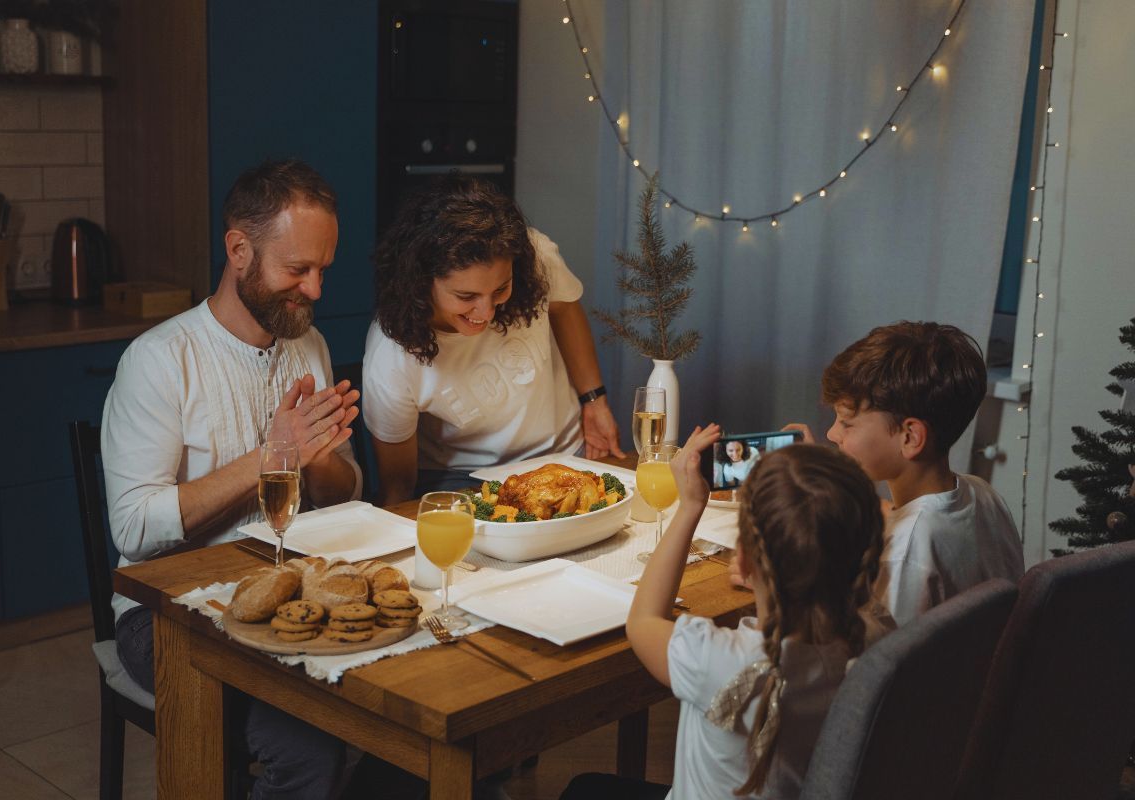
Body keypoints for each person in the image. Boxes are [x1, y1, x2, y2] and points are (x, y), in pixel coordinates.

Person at [102, 159, 362, 798]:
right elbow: (134, 529)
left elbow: (344, 494)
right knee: (310, 746)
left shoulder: (309, 346)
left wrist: (319, 456)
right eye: (297, 269)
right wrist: (272, 457)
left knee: (403, 699)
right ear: (239, 250)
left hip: (289, 589)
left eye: (323, 268)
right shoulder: (160, 361)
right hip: (163, 614)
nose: (316, 288)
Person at [562, 425, 886, 799]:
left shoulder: (718, 660)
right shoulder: (873, 638)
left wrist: (689, 507)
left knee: (583, 790)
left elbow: (643, 622)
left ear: (744, 559)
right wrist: (820, 476)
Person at [363, 175, 623, 505]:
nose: (485, 312)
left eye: (500, 290)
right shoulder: (392, 354)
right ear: (421, 281)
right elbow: (397, 486)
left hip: (564, 454)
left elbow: (564, 308)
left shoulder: (535, 255)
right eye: (466, 295)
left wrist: (594, 399)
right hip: (464, 479)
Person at [786, 321, 1024, 627]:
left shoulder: (905, 555)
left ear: (910, 438)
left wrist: (785, 588)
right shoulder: (982, 494)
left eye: (846, 422)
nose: (832, 434)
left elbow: (878, 665)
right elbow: (901, 515)